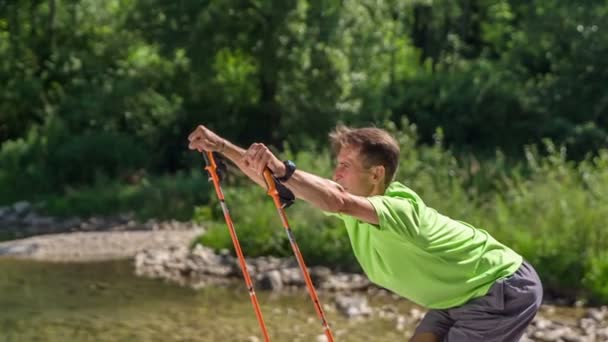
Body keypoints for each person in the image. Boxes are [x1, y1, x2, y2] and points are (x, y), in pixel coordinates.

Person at [187, 124, 543, 342]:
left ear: (377, 174)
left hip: (500, 286)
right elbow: (280, 185)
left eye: (345, 166)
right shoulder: (352, 202)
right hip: (456, 296)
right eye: (337, 165)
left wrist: (283, 167)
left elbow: (331, 199)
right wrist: (221, 147)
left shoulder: (396, 209)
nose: (336, 172)